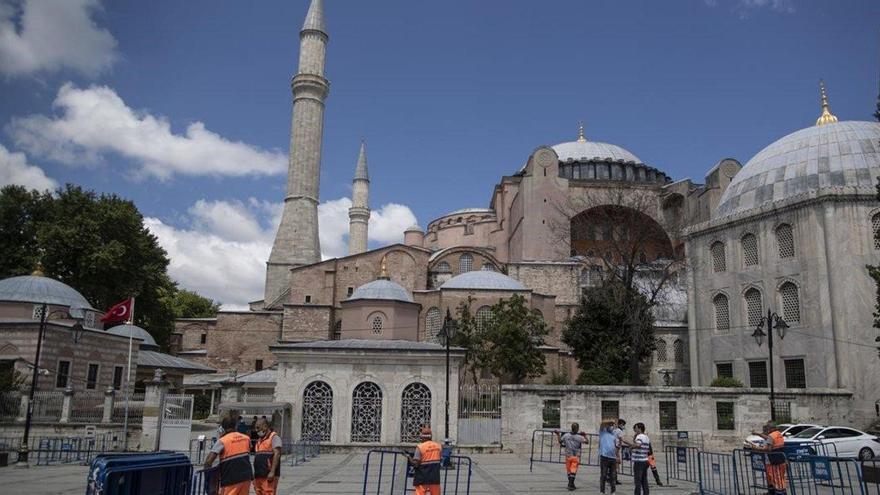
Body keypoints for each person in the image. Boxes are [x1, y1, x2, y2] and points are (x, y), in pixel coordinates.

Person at [204, 414, 254, 495]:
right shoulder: (246, 438)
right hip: (246, 477)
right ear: (235, 425)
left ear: (222, 428)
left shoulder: (222, 441)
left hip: (230, 479)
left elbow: (208, 461)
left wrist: (208, 480)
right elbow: (248, 449)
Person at [752, 421, 788, 495]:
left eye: (768, 428)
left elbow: (769, 449)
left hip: (774, 460)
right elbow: (768, 438)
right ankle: (774, 492)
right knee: (777, 478)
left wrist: (756, 448)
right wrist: (758, 434)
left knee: (776, 478)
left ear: (771, 428)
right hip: (780, 459)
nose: (767, 429)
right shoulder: (778, 433)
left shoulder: (771, 436)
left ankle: (780, 493)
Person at [407, 426, 442, 495]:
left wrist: (408, 457)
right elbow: (439, 458)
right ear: (431, 436)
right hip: (435, 477)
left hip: (422, 477)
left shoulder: (420, 447)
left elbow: (415, 464)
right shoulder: (438, 446)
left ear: (422, 437)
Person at [556, 422, 589, 491]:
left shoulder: (566, 435)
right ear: (577, 429)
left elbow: (560, 441)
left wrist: (558, 434)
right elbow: (587, 442)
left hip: (568, 455)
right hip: (575, 456)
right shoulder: (579, 437)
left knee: (569, 470)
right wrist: (585, 435)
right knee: (573, 470)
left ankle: (571, 484)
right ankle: (570, 484)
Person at [253, 418, 283, 495]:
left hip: (268, 475)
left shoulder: (274, 437)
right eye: (255, 427)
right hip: (259, 475)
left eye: (258, 427)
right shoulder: (259, 440)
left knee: (268, 492)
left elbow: (277, 454)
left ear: (265, 426)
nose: (256, 430)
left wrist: (272, 471)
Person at [620, 422, 650, 495]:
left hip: (639, 461)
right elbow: (640, 445)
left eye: (636, 428)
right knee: (644, 480)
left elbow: (638, 445)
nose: (634, 429)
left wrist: (630, 447)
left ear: (639, 428)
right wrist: (628, 443)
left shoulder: (639, 436)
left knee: (637, 481)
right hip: (645, 460)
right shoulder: (646, 437)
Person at [598, 420, 619, 494]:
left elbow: (616, 447)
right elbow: (602, 423)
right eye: (610, 425)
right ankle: (602, 491)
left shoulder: (614, 435)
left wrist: (617, 457)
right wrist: (611, 421)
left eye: (612, 426)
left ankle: (613, 491)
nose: (611, 427)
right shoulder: (602, 432)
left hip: (613, 458)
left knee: (613, 476)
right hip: (604, 457)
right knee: (603, 475)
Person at [613, 419, 626, 486]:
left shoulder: (614, 430)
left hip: (614, 447)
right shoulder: (619, 431)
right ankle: (614, 479)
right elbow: (621, 439)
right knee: (617, 463)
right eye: (623, 425)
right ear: (620, 424)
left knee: (615, 463)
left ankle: (613, 478)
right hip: (616, 448)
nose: (624, 426)